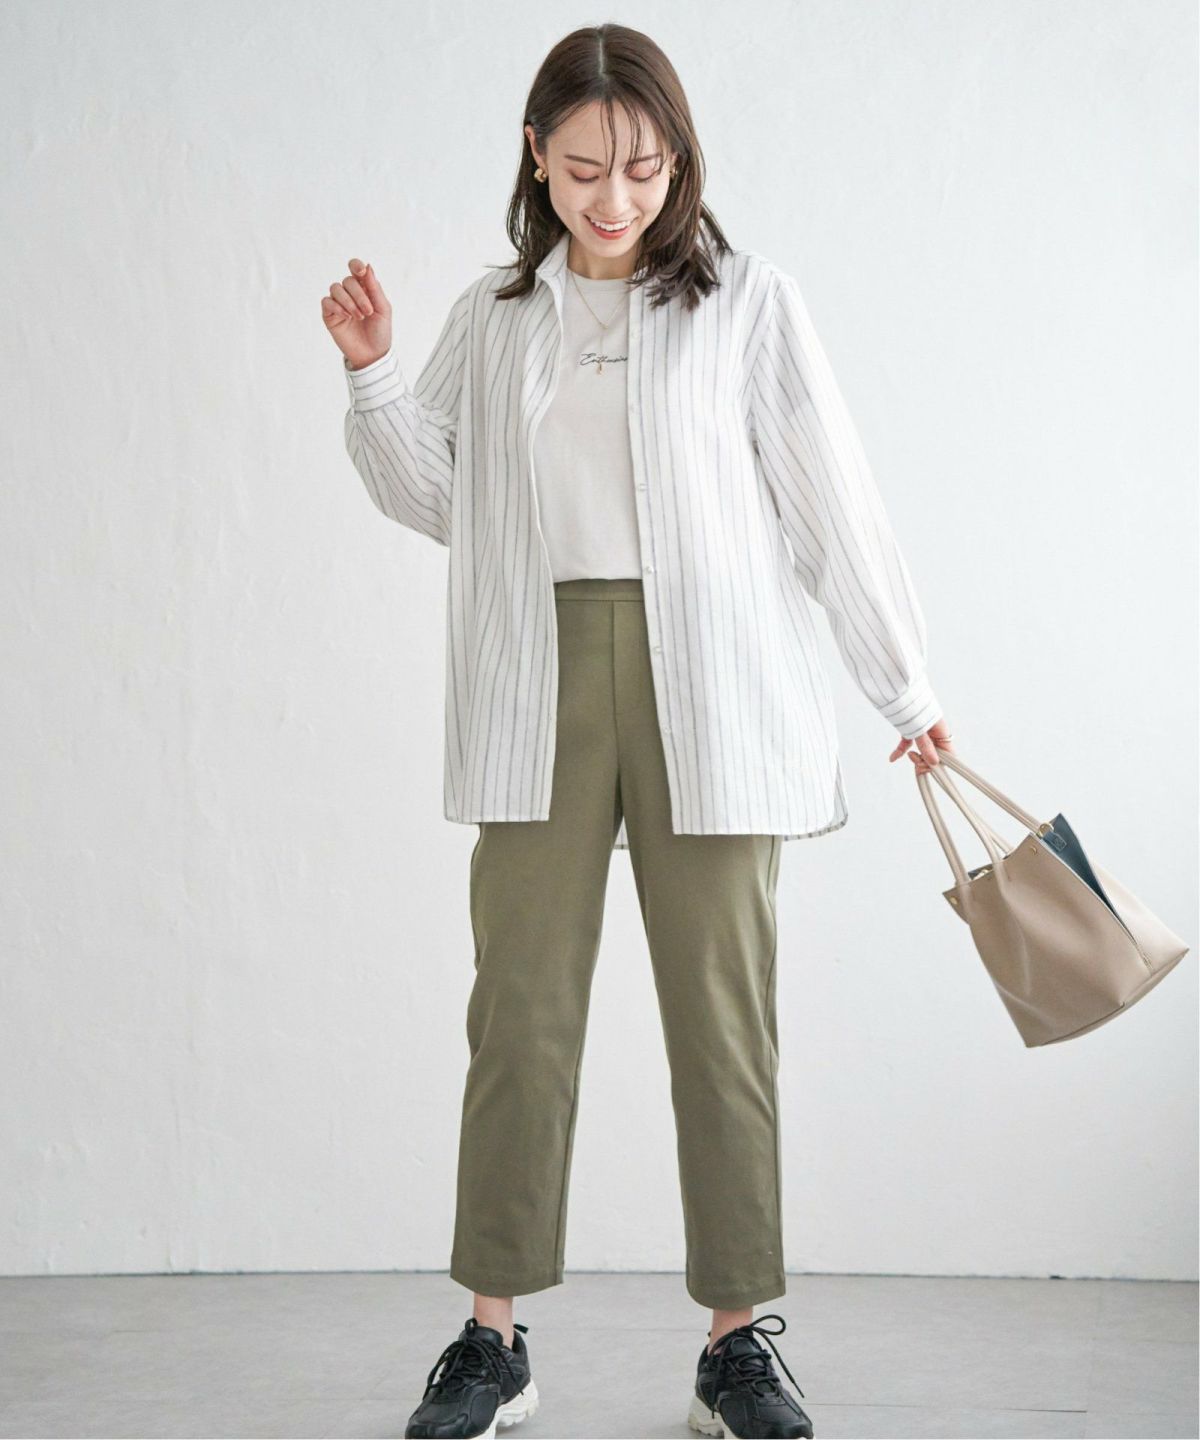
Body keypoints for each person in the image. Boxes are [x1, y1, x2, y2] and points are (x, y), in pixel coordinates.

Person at [321, 22, 953, 1440]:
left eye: (644, 167)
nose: (615, 198)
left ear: (679, 162)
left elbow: (829, 501)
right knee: (520, 1016)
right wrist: (372, 375)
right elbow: (439, 497)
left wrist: (904, 689)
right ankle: (492, 1341)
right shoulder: (496, 315)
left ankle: (737, 1346)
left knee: (722, 1022)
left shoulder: (747, 304)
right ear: (536, 157)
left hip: (713, 685)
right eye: (585, 167)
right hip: (536, 679)